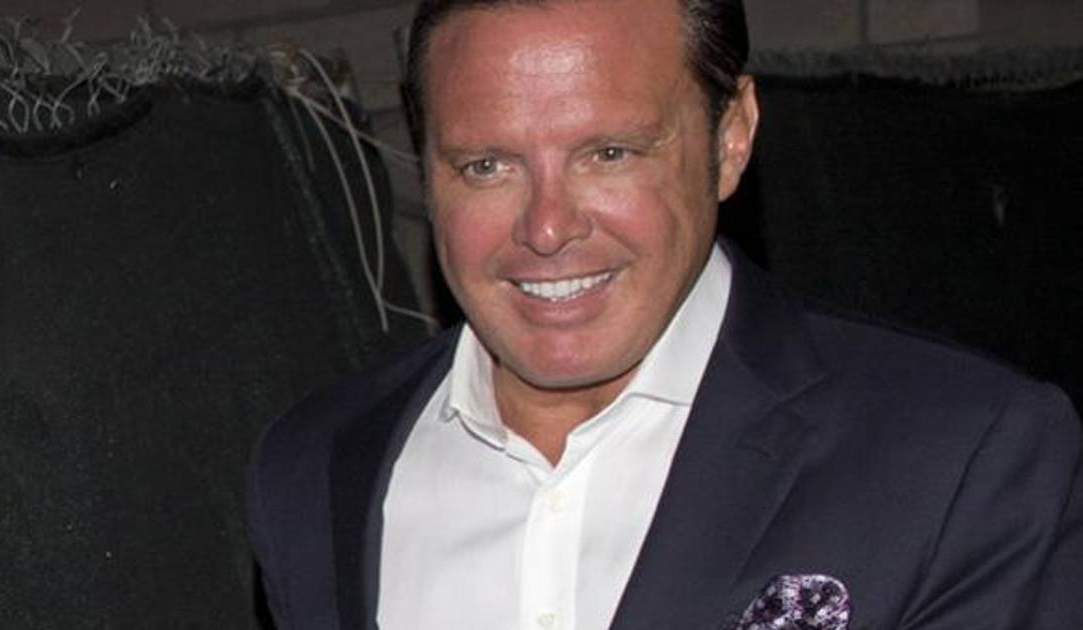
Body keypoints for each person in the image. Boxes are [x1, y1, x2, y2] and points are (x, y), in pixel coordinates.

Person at [247, 0, 1083, 628]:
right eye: (487, 166)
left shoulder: (961, 456)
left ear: (731, 138)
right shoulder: (315, 469)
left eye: (609, 153)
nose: (547, 228)